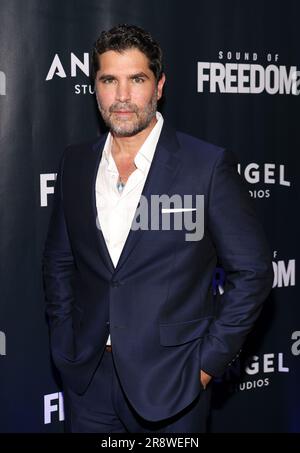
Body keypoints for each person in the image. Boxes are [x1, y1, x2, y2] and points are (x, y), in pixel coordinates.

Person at [43, 24, 273, 433]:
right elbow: (59, 262)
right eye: (109, 80)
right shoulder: (75, 162)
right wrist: (65, 340)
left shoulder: (206, 166)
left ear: (160, 85)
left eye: (137, 79)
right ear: (95, 87)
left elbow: (253, 273)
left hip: (173, 384)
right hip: (87, 382)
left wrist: (205, 366)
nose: (123, 96)